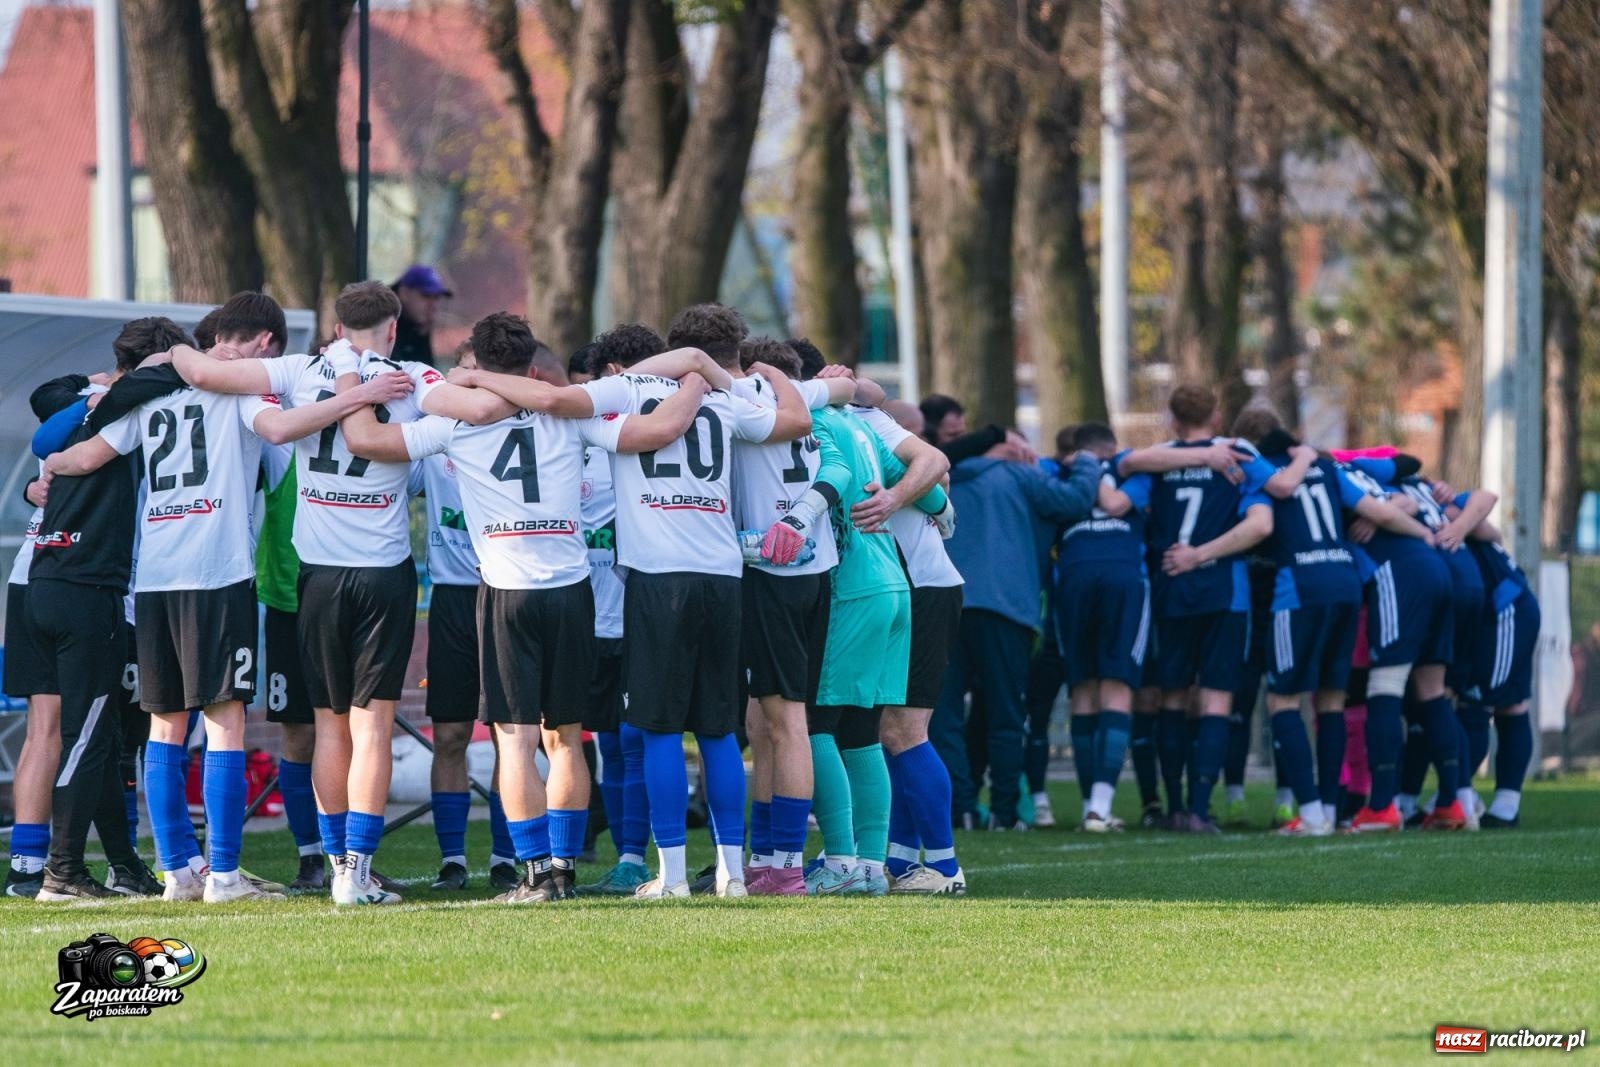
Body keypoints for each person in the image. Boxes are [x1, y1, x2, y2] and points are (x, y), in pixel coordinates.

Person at [42, 293, 414, 903]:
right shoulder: (241, 391)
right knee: (225, 723)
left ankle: (175, 873)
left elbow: (89, 453)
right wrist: (355, 398)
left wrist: (51, 467)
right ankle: (222, 874)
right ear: (259, 343)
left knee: (164, 725)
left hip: (157, 578)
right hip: (216, 574)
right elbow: (279, 427)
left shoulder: (153, 392)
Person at [169, 280, 517, 905]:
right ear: (391, 328)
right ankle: (356, 871)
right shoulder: (411, 376)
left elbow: (200, 370)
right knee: (373, 727)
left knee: (329, 727)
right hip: (383, 574)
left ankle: (335, 867)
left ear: (335, 329)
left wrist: (169, 356)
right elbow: (483, 411)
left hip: (318, 576)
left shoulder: (300, 370)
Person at [340, 311, 707, 903]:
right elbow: (655, 432)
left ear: (478, 367)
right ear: (533, 368)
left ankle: (535, 873)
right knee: (565, 738)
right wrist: (698, 378)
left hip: (506, 591)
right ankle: (563, 869)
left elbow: (364, 441)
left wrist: (352, 387)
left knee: (514, 741)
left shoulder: (454, 424)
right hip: (570, 590)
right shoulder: (569, 414)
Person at [755, 346, 949, 896]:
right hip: (895, 585)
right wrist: (932, 509)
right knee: (862, 734)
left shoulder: (813, 421)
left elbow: (833, 478)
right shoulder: (858, 421)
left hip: (852, 588)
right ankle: (867, 867)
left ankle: (840, 860)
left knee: (812, 724)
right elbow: (930, 484)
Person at [1234, 411, 1434, 837]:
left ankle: (1310, 815)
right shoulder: (1327, 468)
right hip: (1345, 584)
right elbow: (1374, 510)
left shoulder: (1258, 467)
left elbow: (1273, 503)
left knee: (1283, 702)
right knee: (1331, 702)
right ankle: (1328, 808)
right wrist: (1425, 533)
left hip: (1299, 587)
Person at [1119, 385, 1277, 832]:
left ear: (1172, 418)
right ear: (1218, 413)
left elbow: (1125, 468)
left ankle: (1172, 807)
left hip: (1171, 589)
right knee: (1215, 699)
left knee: (1172, 696)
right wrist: (1203, 553)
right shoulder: (1237, 457)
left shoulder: (1159, 459)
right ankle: (1201, 809)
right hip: (1225, 593)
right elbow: (1262, 523)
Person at [934, 428, 1101, 830]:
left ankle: (961, 808)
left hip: (944, 603)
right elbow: (1076, 501)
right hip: (1005, 608)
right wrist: (1088, 463)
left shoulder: (942, 475)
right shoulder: (1016, 475)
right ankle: (1006, 811)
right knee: (1006, 714)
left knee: (945, 716)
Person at [1337, 455, 1489, 832]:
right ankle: (1453, 803)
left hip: (1400, 575)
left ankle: (1382, 806)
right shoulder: (1375, 473)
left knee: (1384, 687)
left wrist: (1383, 517)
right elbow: (1405, 486)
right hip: (1442, 572)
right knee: (1433, 692)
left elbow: (1392, 505)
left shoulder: (1331, 474)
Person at [1054, 423, 1153, 833]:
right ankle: (1099, 807)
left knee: (1083, 690)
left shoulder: (1059, 471)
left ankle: (1088, 809)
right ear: (1112, 448)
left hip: (1074, 574)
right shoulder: (1135, 471)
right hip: (1121, 573)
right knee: (1116, 686)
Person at [391, 264, 453, 367]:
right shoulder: (380, 319)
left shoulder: (418, 323)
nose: (433, 306)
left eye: (437, 297)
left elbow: (427, 368)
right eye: (426, 295)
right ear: (404, 293)